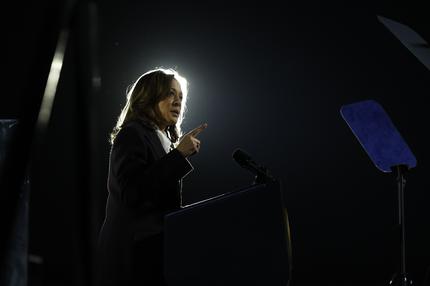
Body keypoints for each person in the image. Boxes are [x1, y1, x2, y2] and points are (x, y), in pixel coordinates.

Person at [97, 68, 207, 286]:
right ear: (148, 97)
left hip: (154, 255)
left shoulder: (162, 140)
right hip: (133, 258)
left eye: (181, 96)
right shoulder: (133, 133)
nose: (178, 101)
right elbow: (132, 193)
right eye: (170, 93)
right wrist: (178, 156)